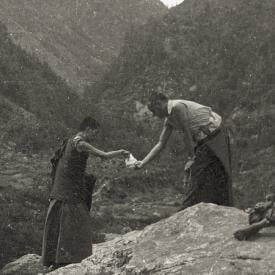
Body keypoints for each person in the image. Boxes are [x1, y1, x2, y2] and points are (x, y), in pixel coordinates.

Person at [41, 116, 129, 270]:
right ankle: (64, 259)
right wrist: (121, 152)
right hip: (69, 191)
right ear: (88, 129)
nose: (95, 136)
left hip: (63, 189)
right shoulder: (80, 143)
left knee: (64, 224)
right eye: (95, 132)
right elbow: (103, 155)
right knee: (76, 223)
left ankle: (59, 258)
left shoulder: (70, 140)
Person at [135, 92, 233, 209]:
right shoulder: (169, 120)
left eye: (153, 111)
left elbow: (187, 134)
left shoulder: (177, 107)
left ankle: (188, 207)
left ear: (159, 104)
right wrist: (143, 163)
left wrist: (192, 158)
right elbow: (161, 143)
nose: (154, 115)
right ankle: (203, 207)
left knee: (208, 172)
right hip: (205, 139)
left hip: (215, 134)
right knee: (205, 173)